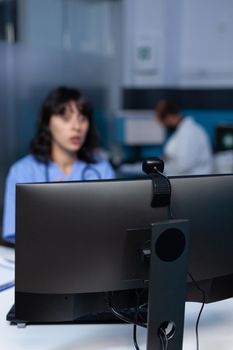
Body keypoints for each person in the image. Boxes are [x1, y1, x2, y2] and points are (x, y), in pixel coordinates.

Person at [2, 86, 115, 243]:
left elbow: (112, 229)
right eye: (66, 118)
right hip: (40, 260)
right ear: (47, 123)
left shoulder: (101, 169)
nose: (77, 127)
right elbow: (17, 235)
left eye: (82, 119)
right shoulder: (23, 171)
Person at [155, 99, 213, 176]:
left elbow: (184, 165)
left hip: (194, 183)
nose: (163, 126)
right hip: (185, 180)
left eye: (162, 122)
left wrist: (160, 166)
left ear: (169, 117)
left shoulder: (190, 132)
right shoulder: (181, 131)